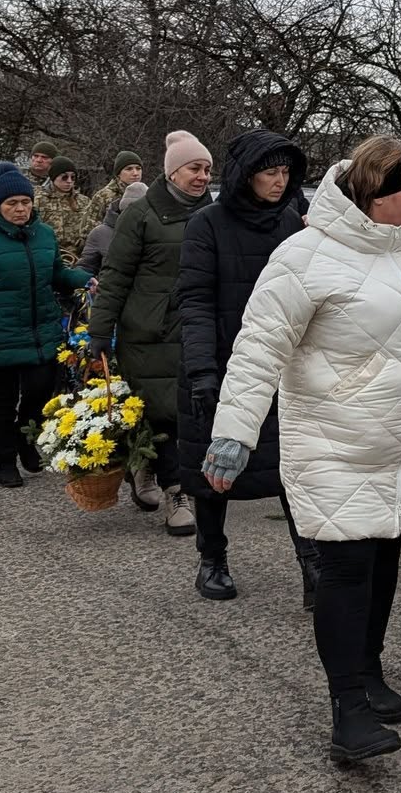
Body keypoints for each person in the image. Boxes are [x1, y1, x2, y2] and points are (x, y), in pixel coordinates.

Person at [203, 135, 401, 765]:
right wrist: (233, 434)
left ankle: (369, 670)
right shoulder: (303, 256)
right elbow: (258, 348)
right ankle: (347, 710)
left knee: (385, 557)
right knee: (346, 567)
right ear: (375, 194)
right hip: (336, 440)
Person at [175, 130, 320, 606]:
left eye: (285, 173)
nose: (279, 182)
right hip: (218, 359)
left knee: (291, 468)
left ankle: (311, 565)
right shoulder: (207, 223)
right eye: (269, 173)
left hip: (281, 363)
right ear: (246, 176)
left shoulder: (293, 226)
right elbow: (194, 301)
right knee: (214, 468)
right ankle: (212, 558)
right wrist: (201, 371)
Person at [90, 131, 214, 537]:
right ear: (173, 171)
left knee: (191, 413)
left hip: (197, 327)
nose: (202, 177)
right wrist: (98, 334)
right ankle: (176, 492)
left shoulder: (212, 213)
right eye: (195, 168)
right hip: (148, 330)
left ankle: (152, 468)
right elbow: (115, 277)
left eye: (208, 170)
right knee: (163, 412)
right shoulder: (140, 215)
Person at [0, 162, 89, 488]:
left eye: (25, 202)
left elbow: (57, 276)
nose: (21, 209)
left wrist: (84, 279)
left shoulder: (45, 234)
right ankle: (4, 458)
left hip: (42, 331)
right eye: (12, 204)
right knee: (2, 401)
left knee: (40, 392)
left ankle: (27, 439)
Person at [79, 177, 146, 276]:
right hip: (108, 287)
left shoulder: (159, 232)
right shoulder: (100, 233)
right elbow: (86, 267)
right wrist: (90, 282)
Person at [37, 157, 93, 265]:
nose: (69, 181)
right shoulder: (39, 200)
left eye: (73, 177)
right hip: (49, 255)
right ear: (53, 177)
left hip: (79, 257)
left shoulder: (84, 201)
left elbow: (91, 225)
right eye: (64, 177)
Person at [89, 150, 144, 223]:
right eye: (129, 169)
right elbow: (89, 228)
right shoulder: (103, 196)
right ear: (118, 173)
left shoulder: (146, 194)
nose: (135, 173)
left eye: (138, 168)